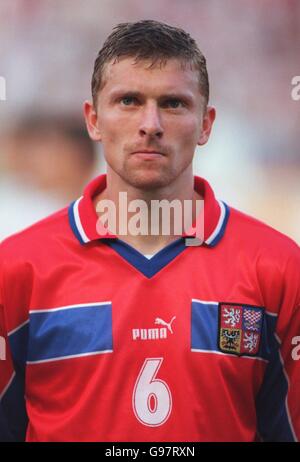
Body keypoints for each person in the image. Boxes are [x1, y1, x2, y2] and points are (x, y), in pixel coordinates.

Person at [0, 20, 299, 442]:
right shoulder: (17, 269)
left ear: (207, 124)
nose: (151, 123)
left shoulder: (277, 267)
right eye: (128, 100)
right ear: (93, 120)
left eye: (174, 103)